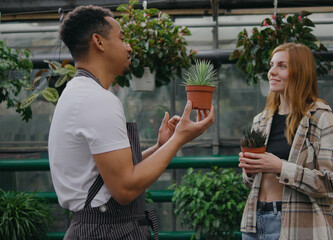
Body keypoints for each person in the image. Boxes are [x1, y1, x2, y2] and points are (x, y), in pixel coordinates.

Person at [48, 5, 214, 239]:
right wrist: (179, 139)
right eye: (122, 38)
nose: (129, 46)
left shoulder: (77, 93)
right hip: (107, 231)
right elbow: (124, 188)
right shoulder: (97, 100)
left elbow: (106, 174)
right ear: (99, 42)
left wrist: (161, 146)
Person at [238, 43, 333, 240]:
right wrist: (249, 169)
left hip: (296, 225)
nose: (272, 72)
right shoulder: (261, 120)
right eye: (272, 65)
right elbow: (250, 182)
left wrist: (280, 166)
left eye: (282, 66)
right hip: (254, 223)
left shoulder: (320, 118)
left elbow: (332, 183)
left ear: (300, 72)